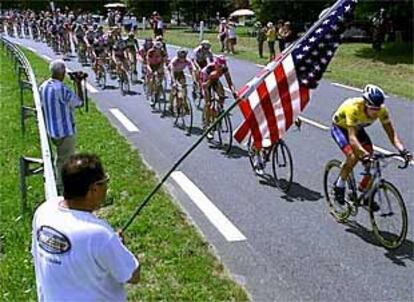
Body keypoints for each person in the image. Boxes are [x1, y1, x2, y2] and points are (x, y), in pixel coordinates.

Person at [32, 153, 140, 301]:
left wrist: (111, 246)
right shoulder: (100, 235)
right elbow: (133, 275)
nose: (106, 187)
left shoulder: (44, 210)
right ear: (94, 189)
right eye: (105, 181)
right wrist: (117, 246)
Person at [331, 84, 412, 209]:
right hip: (341, 129)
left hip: (358, 129)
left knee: (372, 162)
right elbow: (352, 138)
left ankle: (364, 193)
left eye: (377, 109)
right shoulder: (353, 108)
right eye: (372, 109)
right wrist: (363, 154)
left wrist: (402, 150)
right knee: (353, 156)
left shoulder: (382, 111)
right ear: (365, 104)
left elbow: (392, 134)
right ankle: (339, 184)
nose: (375, 112)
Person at [39, 60, 84, 193]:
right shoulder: (61, 89)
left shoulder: (44, 86)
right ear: (62, 72)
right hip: (65, 132)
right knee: (65, 160)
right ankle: (62, 188)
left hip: (52, 130)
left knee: (61, 158)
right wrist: (78, 84)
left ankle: (61, 183)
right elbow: (79, 102)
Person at [200, 55, 237, 139]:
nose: (221, 69)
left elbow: (230, 83)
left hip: (215, 80)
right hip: (206, 79)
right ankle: (207, 126)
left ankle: (218, 112)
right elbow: (206, 85)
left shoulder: (224, 69)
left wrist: (234, 92)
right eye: (219, 67)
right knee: (209, 103)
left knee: (221, 95)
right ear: (216, 65)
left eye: (223, 67)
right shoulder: (209, 69)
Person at [168, 48, 193, 112]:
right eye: (181, 57)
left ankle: (185, 103)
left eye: (184, 57)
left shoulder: (187, 61)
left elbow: (192, 71)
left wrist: (195, 80)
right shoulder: (175, 61)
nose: (182, 58)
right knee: (174, 89)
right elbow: (172, 72)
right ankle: (170, 105)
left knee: (184, 87)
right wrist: (173, 82)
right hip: (172, 72)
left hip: (180, 72)